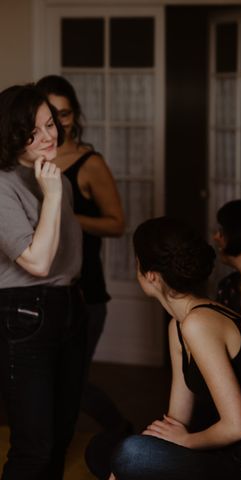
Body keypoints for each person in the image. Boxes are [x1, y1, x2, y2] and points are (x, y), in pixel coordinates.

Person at [108, 217, 241, 480]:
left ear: (151, 276)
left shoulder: (198, 323)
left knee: (131, 454)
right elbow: (176, 419)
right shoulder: (179, 325)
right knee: (107, 451)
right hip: (212, 446)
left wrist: (184, 442)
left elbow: (237, 428)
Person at [35, 74, 130, 434]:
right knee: (43, 377)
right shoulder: (25, 161)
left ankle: (119, 430)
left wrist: (62, 213)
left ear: (75, 116)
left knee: (70, 380)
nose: (58, 123)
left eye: (65, 113)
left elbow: (116, 223)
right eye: (49, 114)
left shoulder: (88, 163)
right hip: (36, 286)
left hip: (83, 288)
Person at [0, 84, 86, 479]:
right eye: (33, 131)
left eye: (50, 124)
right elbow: (36, 261)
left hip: (68, 305)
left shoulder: (58, 180)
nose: (49, 136)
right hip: (23, 310)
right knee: (34, 446)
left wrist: (55, 189)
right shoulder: (4, 183)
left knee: (60, 435)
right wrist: (51, 195)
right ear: (12, 134)